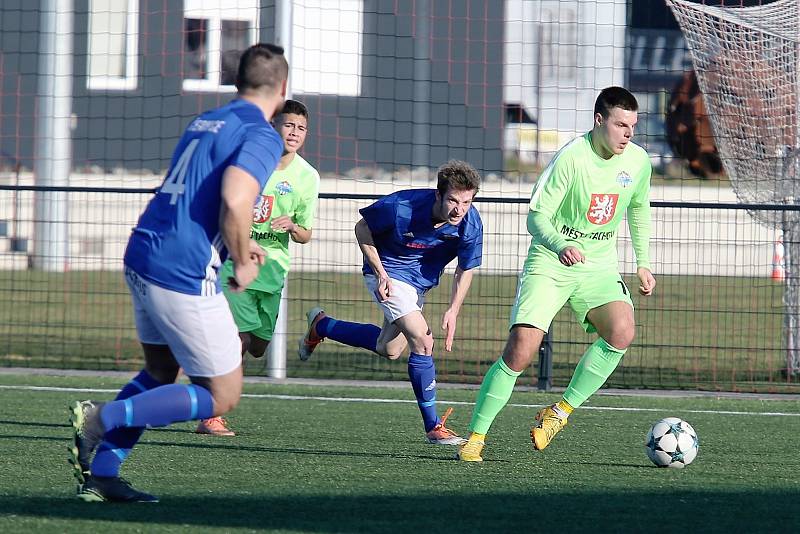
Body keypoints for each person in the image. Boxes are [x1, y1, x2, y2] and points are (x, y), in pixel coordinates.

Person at [68, 43, 289, 502]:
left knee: (161, 369)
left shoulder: (204, 121)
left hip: (143, 250)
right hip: (181, 270)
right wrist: (245, 259)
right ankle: (101, 418)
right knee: (222, 394)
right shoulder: (262, 134)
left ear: (237, 84)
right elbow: (234, 197)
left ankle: (103, 476)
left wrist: (239, 248)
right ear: (283, 89)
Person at [458, 86, 656, 462]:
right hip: (551, 262)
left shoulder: (638, 162)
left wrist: (643, 262)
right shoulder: (571, 158)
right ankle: (476, 437)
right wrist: (559, 244)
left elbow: (639, 209)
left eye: (633, 126)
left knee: (622, 330)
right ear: (599, 121)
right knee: (520, 352)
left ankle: (559, 413)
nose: (628, 134)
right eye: (620, 125)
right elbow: (536, 217)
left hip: (597, 266)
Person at [298, 160, 483, 445]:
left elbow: (465, 268)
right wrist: (381, 273)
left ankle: (323, 325)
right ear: (438, 195)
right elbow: (362, 229)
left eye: (467, 202)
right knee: (423, 340)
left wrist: (454, 309)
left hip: (418, 284)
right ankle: (434, 427)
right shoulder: (401, 207)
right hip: (387, 274)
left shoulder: (470, 223)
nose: (459, 209)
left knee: (391, 349)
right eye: (453, 200)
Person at [196, 99, 320, 436]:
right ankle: (211, 413)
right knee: (236, 338)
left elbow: (306, 233)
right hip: (236, 264)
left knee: (258, 344)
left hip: (274, 272)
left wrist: (294, 227)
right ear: (274, 126)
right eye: (289, 125)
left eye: (301, 128)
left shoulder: (308, 177)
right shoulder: (250, 163)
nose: (294, 133)